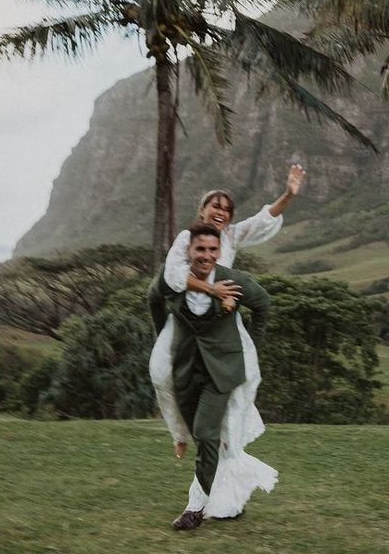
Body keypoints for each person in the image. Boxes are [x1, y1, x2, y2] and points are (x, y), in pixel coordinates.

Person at [149, 163, 305, 518]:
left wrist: (289, 195)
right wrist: (211, 289)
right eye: (214, 206)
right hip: (187, 325)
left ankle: (214, 491)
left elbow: (264, 219)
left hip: (223, 331)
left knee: (227, 417)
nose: (220, 212)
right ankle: (181, 435)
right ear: (201, 211)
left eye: (225, 209)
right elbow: (172, 277)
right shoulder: (186, 241)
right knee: (162, 374)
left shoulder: (231, 236)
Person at [148, 223, 272, 530]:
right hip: (186, 367)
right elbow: (153, 298)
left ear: (219, 252)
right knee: (202, 436)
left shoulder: (232, 279)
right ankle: (228, 494)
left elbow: (263, 303)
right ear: (189, 251)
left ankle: (194, 508)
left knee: (205, 433)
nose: (206, 255)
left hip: (223, 369)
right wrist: (163, 333)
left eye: (212, 249)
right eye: (200, 249)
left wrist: (252, 345)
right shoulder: (173, 279)